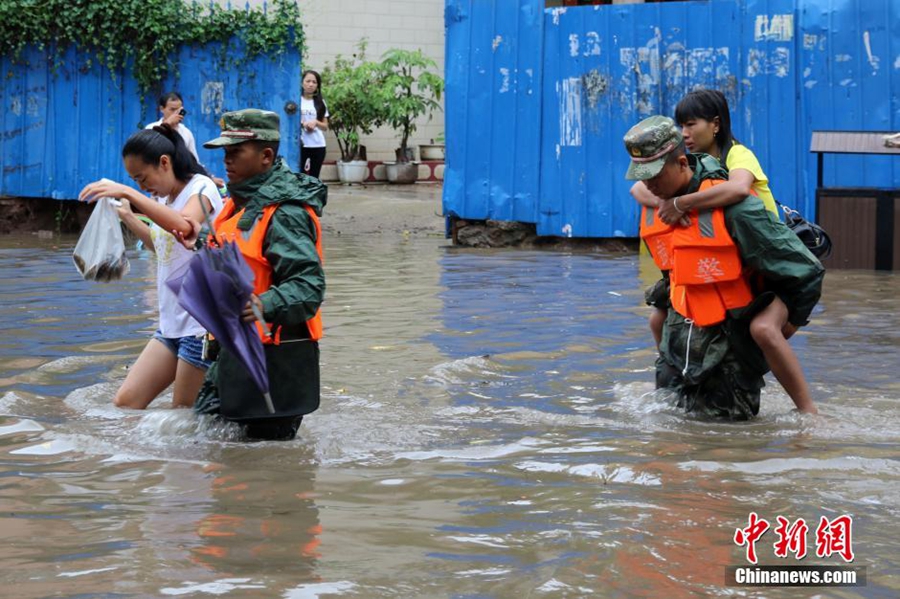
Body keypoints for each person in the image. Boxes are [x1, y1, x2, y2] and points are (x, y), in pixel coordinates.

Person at [624, 115, 824, 418]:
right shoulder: (659, 202)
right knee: (664, 433)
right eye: (643, 177)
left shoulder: (736, 210)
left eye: (655, 176)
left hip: (729, 351)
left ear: (681, 163)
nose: (649, 185)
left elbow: (807, 270)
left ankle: (808, 413)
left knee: (725, 442)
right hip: (678, 347)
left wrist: (788, 323)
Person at [190, 108, 327, 441]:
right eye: (225, 151)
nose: (227, 159)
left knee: (260, 461)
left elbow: (308, 287)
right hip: (233, 357)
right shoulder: (237, 203)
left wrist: (263, 304)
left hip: (273, 364)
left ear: (266, 156)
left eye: (236, 151)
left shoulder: (285, 213)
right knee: (210, 448)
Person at [79, 125, 224, 409]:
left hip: (200, 325)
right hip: (170, 323)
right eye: (134, 181)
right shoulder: (162, 199)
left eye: (142, 178)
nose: (142, 187)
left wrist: (130, 194)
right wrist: (127, 216)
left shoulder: (202, 188)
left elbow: (184, 228)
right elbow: (161, 247)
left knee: (181, 417)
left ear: (165, 163)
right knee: (125, 403)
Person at [632, 89, 783, 348]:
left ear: (715, 124)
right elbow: (638, 189)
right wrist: (666, 205)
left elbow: (738, 188)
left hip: (762, 261)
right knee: (658, 319)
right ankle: (670, 371)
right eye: (681, 126)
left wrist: (681, 204)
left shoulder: (737, 154)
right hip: (719, 261)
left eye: (691, 124)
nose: (684, 133)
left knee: (763, 330)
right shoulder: (690, 163)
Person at [146, 92, 200, 163]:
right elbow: (147, 152)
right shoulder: (150, 128)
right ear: (162, 109)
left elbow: (194, 160)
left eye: (179, 110)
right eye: (172, 109)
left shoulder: (186, 133)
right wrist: (167, 124)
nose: (176, 113)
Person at [299, 70, 330, 179]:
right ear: (302, 83)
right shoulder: (296, 101)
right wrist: (302, 124)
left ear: (317, 85)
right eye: (308, 81)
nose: (311, 84)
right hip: (301, 145)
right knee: (300, 176)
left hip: (318, 145)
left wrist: (316, 122)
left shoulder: (320, 102)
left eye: (314, 82)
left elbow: (325, 126)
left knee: (314, 178)